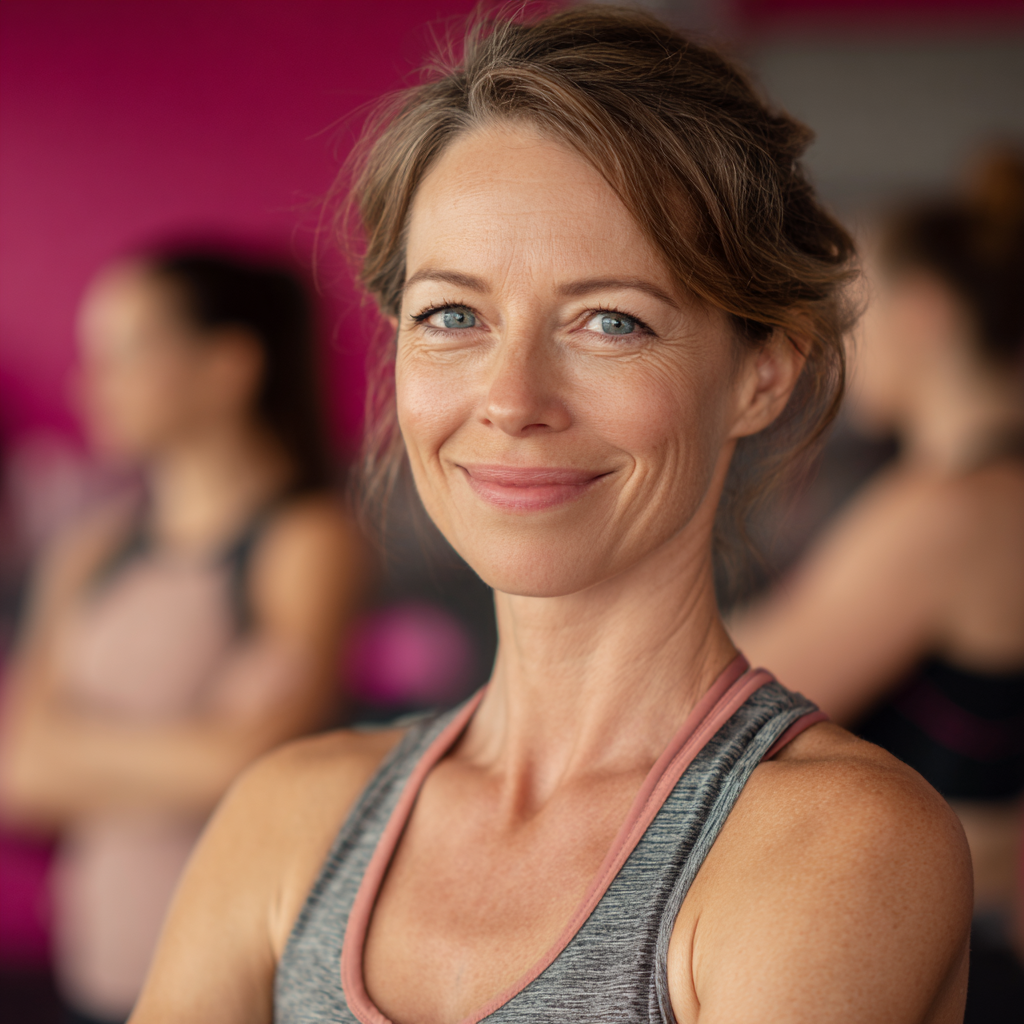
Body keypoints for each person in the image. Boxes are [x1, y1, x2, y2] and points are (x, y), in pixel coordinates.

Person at [127, 9, 972, 1023]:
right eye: (454, 316)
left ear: (760, 374)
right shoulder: (290, 814)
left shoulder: (836, 841)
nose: (512, 397)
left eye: (609, 320)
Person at [0, 247, 371, 1024]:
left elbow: (251, 762)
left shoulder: (305, 540)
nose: (89, 382)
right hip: (93, 973)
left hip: (244, 987)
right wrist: (197, 745)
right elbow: (17, 771)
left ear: (228, 366)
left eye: (124, 353)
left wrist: (74, 742)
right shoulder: (89, 551)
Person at [732, 149, 1024, 1016]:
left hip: (949, 960)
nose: (840, 336)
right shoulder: (977, 495)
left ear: (926, 314)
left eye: (859, 303)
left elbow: (721, 703)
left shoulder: (955, 511)